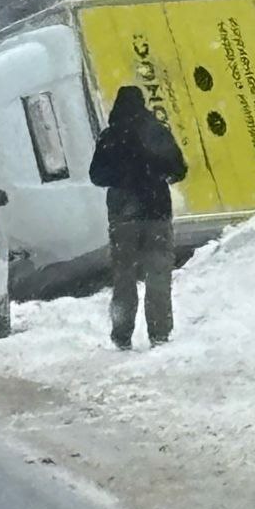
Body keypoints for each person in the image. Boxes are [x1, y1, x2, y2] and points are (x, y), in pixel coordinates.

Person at [89, 86, 187, 350]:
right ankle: (160, 332)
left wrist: (123, 179)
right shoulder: (157, 133)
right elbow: (179, 169)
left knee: (124, 277)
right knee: (158, 274)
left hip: (123, 217)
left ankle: (122, 333)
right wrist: (155, 176)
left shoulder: (110, 137)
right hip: (157, 213)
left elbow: (96, 176)